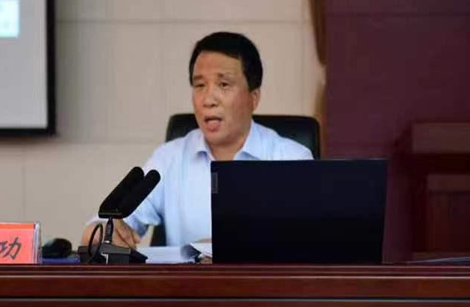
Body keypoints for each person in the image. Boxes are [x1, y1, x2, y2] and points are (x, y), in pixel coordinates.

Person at [82, 31, 312, 248]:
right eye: (199, 85)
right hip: (184, 280)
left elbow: (309, 244)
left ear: (254, 97)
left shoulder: (292, 159)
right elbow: (101, 229)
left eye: (223, 85)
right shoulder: (169, 159)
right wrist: (102, 233)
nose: (208, 100)